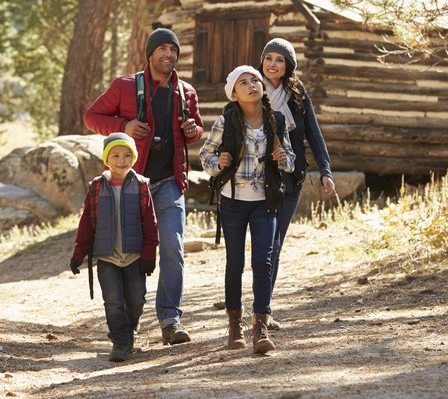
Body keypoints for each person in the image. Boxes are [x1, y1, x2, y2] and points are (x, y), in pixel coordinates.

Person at [84, 27, 203, 346]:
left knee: (174, 249)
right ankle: (127, 325)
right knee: (127, 255)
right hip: (132, 187)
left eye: (173, 50)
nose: (169, 55)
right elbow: (91, 116)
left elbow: (196, 132)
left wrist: (192, 130)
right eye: (162, 49)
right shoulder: (125, 87)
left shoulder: (185, 92)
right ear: (150, 54)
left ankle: (170, 320)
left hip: (169, 185)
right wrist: (123, 126)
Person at [200, 65, 295, 354]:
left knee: (263, 262)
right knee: (235, 263)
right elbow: (205, 155)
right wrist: (219, 163)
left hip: (265, 203)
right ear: (234, 94)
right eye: (244, 82)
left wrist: (282, 157)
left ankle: (260, 326)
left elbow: (290, 160)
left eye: (255, 79)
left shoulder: (276, 120)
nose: (252, 84)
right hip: (232, 202)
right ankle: (234, 325)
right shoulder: (226, 121)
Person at [259, 38, 335, 322]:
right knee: (265, 244)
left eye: (279, 60)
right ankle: (256, 307)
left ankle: (263, 310)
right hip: (258, 179)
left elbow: (313, 134)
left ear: (288, 65)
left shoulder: (297, 93)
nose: (272, 64)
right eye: (269, 58)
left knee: (275, 244)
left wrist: (325, 171)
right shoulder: (252, 88)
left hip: (291, 178)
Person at [70, 132, 159, 363]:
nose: (122, 160)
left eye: (127, 155)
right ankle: (120, 342)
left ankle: (129, 331)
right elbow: (87, 223)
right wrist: (78, 254)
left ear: (134, 158)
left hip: (135, 256)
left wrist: (150, 254)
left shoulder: (141, 185)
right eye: (116, 155)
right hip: (107, 256)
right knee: (112, 300)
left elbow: (150, 223)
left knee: (136, 299)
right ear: (106, 160)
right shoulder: (97, 187)